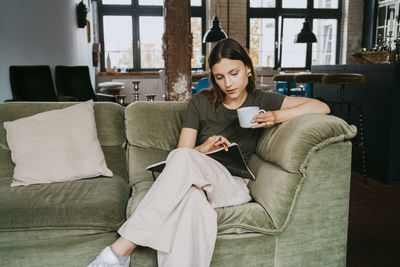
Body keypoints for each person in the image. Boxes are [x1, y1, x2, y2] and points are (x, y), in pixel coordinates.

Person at [88, 38, 330, 267]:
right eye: (220, 77)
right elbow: (183, 154)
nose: (229, 83)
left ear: (247, 68)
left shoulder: (263, 100)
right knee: (192, 203)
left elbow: (321, 106)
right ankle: (118, 258)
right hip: (196, 181)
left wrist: (276, 116)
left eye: (234, 73)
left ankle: (120, 250)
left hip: (233, 184)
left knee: (184, 165)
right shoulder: (200, 102)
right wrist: (203, 149)